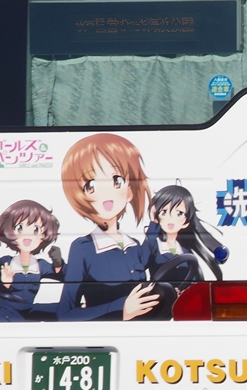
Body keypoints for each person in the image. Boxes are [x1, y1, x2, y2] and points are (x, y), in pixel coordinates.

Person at [57, 134, 200, 321]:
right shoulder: (83, 248)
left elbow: (152, 264)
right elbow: (65, 315)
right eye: (91, 185)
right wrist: (121, 309)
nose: (106, 191)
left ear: (130, 191)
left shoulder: (133, 245)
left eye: (116, 180)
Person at [0, 199, 62, 308]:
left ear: (44, 235)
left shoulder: (40, 265)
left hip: (28, 311)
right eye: (19, 228)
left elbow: (64, 275)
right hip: (5, 311)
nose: (28, 236)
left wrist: (58, 262)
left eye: (36, 230)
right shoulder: (5, 262)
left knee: (60, 308)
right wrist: (4, 284)